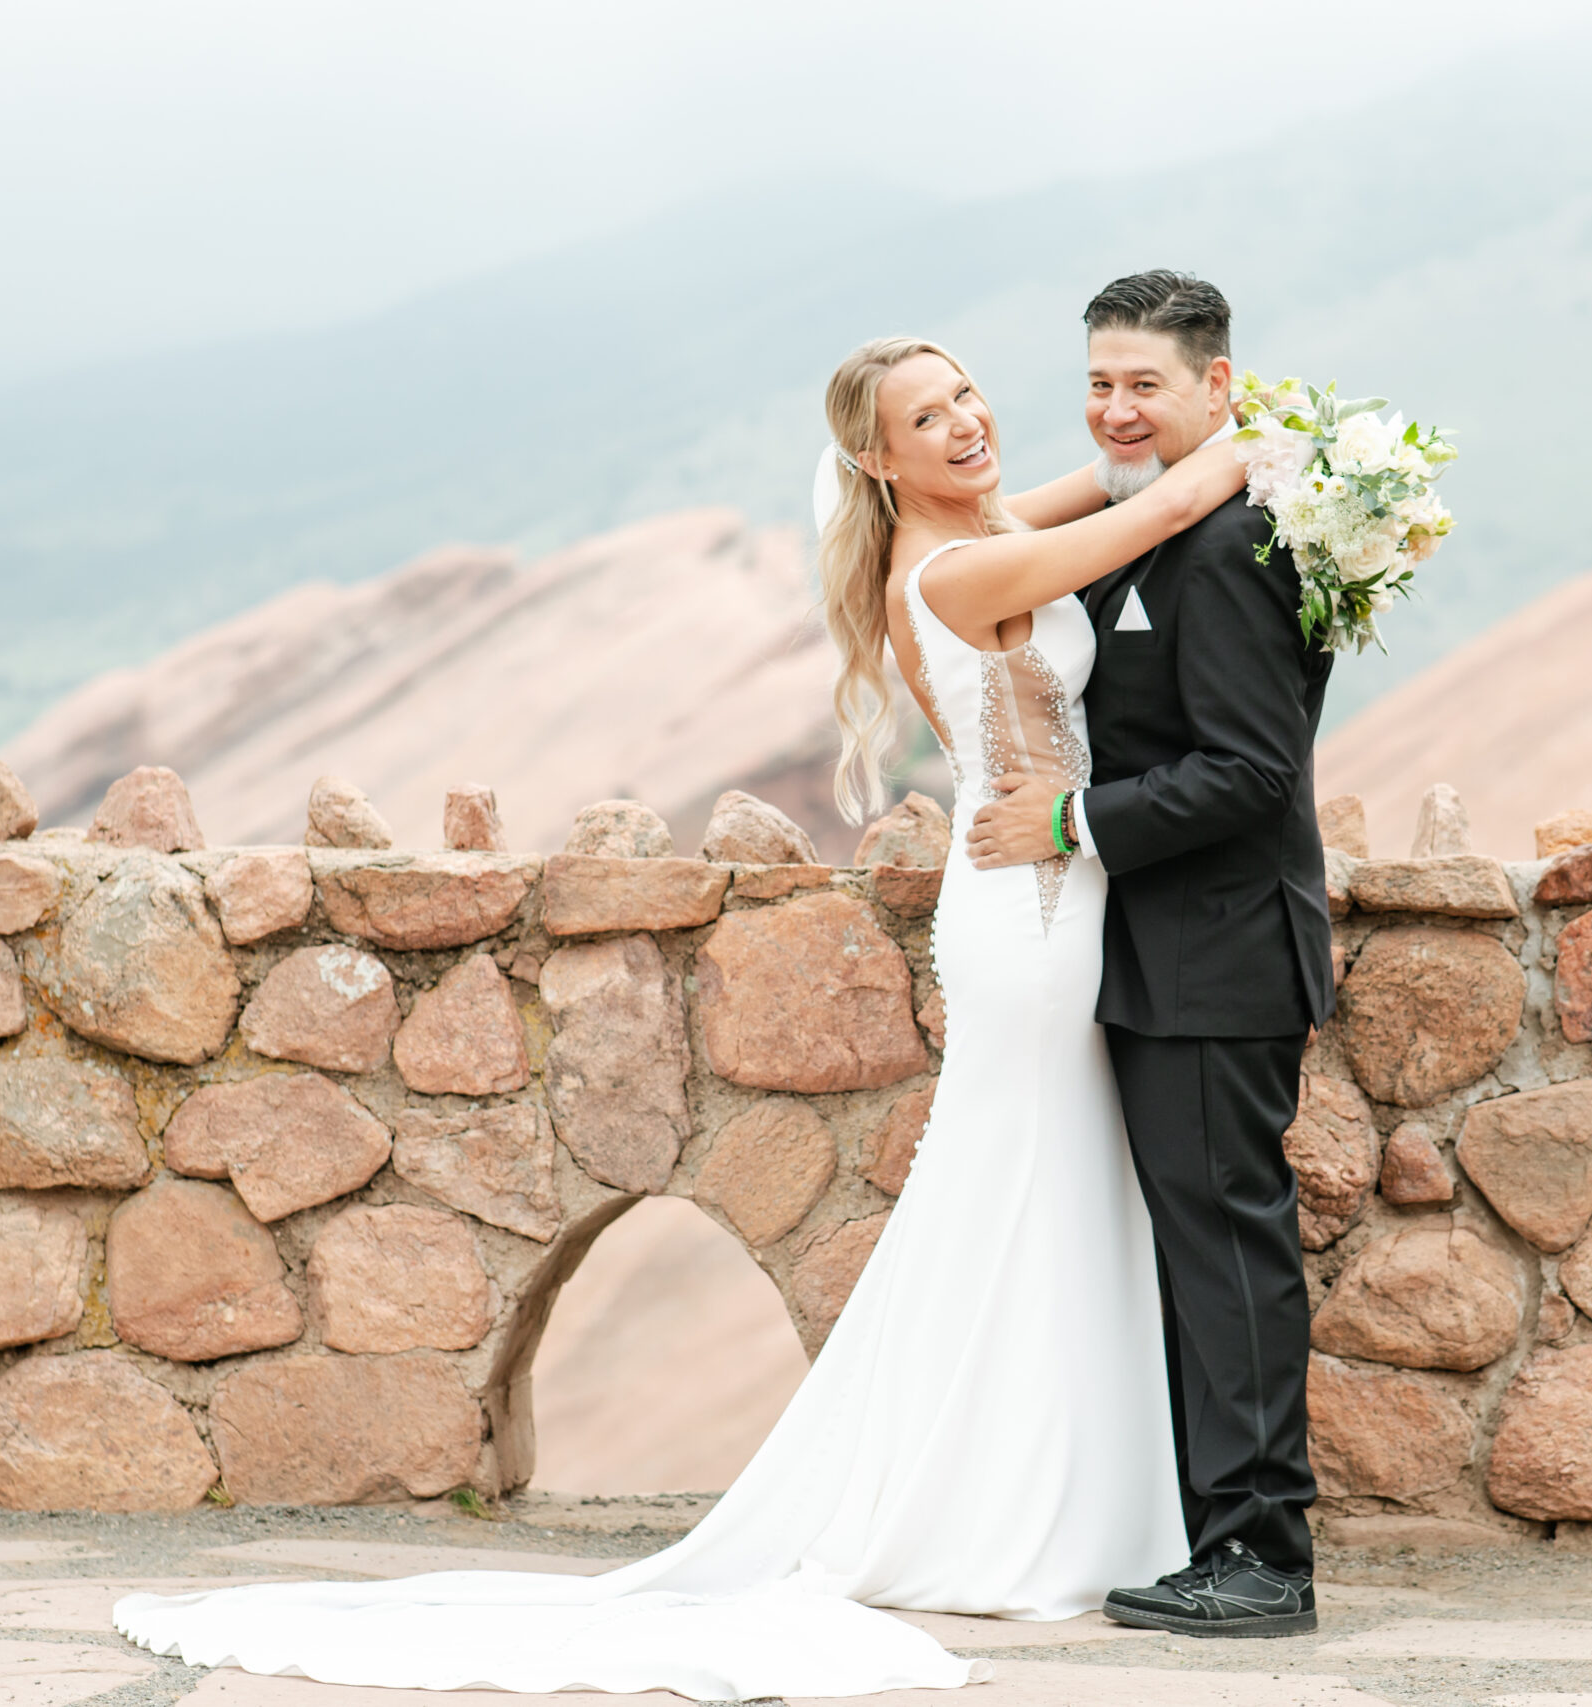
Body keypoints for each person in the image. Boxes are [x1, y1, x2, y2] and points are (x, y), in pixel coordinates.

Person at [113, 328, 1250, 1698]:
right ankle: (1001, 1509)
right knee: (1027, 1185)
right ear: (877, 463)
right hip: (1028, 923)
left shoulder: (992, 524)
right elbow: (1174, 501)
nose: (964, 424)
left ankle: (1054, 1492)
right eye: (926, 418)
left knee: (1058, 1188)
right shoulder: (955, 569)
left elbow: (1112, 484)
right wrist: (1319, 449)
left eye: (965, 397)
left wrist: (1141, 443)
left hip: (1051, 903)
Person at [965, 271, 1333, 1638]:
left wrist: (1067, 819)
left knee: (1229, 1253)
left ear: (1218, 389)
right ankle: (1210, 1530)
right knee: (1197, 1248)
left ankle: (1261, 1559)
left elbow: (1248, 770)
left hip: (1218, 956)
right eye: (1099, 383)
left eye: (1145, 385)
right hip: (1164, 954)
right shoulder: (1152, 523)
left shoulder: (1229, 548)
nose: (1116, 408)